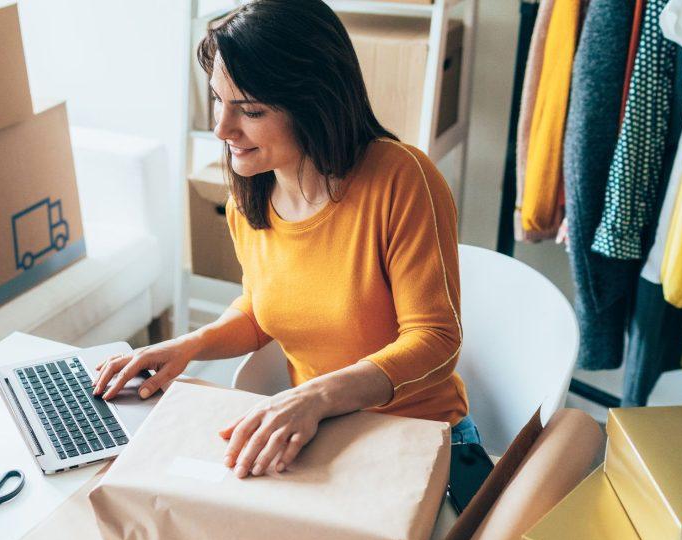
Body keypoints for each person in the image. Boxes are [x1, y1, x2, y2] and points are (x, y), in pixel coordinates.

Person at [93, 0, 479, 479]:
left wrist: (313, 397)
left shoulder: (401, 178)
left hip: (420, 437)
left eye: (249, 110)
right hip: (322, 434)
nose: (222, 128)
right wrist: (187, 346)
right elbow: (262, 310)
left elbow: (436, 341)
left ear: (314, 103)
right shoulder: (248, 196)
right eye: (217, 99)